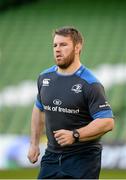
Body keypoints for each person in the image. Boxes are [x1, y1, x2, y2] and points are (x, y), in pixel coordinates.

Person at [27, 26, 114, 179]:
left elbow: (107, 122)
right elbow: (38, 109)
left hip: (83, 159)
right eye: (55, 45)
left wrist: (75, 135)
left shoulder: (90, 84)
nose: (57, 49)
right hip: (51, 156)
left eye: (63, 45)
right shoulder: (44, 78)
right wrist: (34, 144)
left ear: (77, 47)